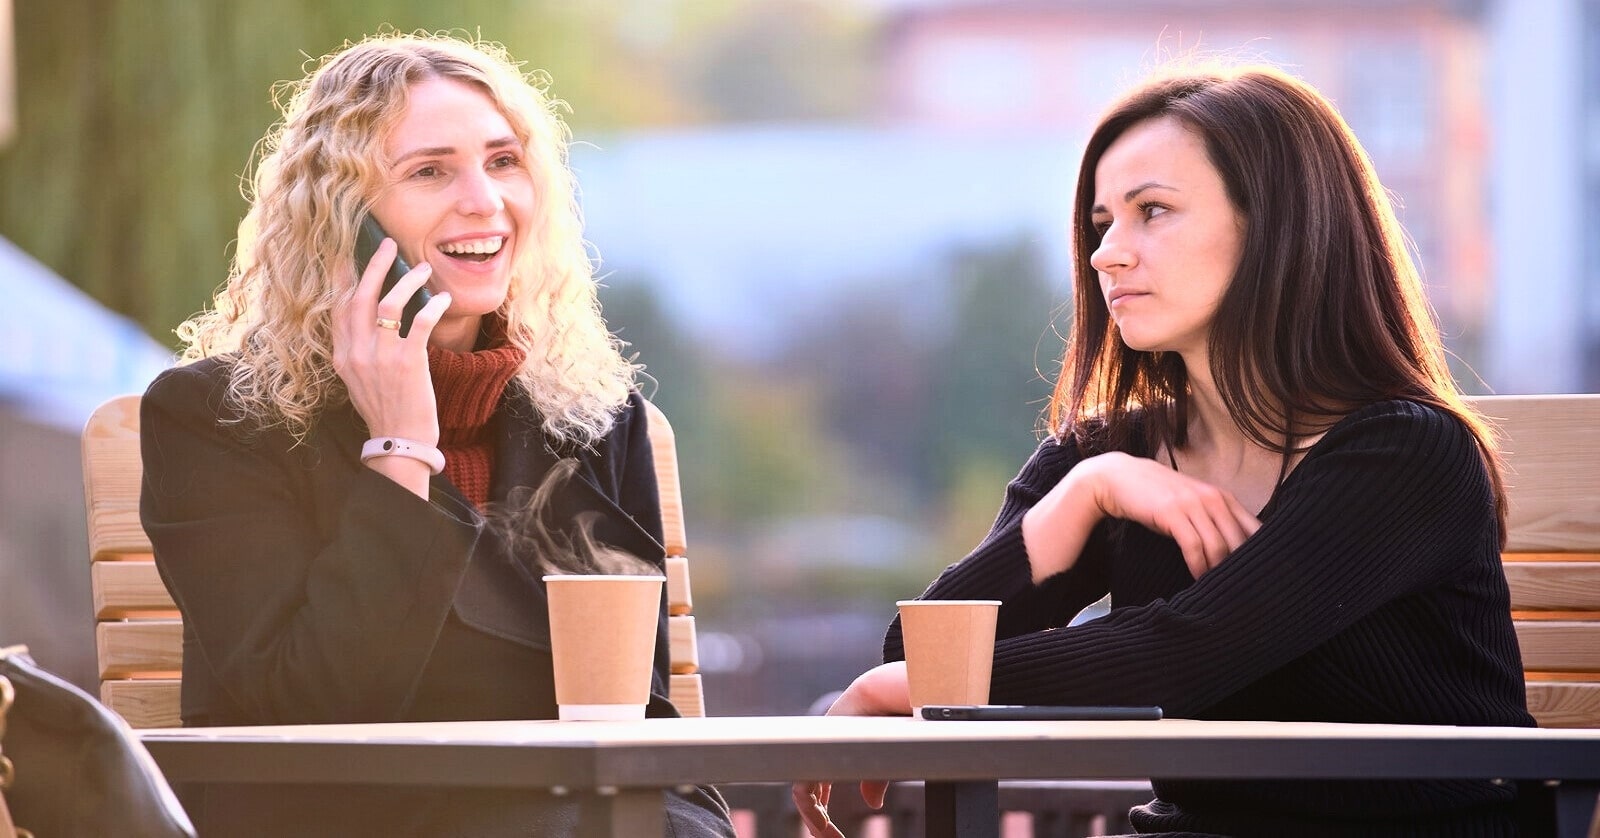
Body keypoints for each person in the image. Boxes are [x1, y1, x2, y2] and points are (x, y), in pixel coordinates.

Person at [794, 63, 1534, 838]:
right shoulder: (1109, 459)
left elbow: (1187, 654)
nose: (1106, 254)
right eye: (1102, 222)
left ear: (1276, 227)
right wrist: (1086, 494)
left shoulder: (1406, 456)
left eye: (1152, 211)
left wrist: (905, 683)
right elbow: (916, 650)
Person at [139, 32, 734, 837]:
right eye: (428, 172)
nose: (484, 201)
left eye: (503, 161)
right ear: (343, 218)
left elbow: (637, 707)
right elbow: (307, 704)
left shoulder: (590, 415)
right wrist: (402, 445)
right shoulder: (217, 418)